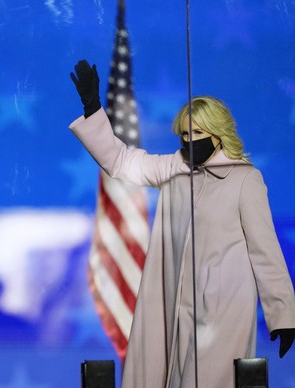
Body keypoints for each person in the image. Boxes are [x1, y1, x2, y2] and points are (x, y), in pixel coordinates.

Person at [69, 60, 295, 387]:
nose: (191, 142)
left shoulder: (245, 180)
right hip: (171, 302)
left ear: (219, 134)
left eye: (199, 134)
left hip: (223, 309)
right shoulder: (175, 169)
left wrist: (283, 317)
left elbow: (265, 251)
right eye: (186, 134)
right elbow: (120, 161)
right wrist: (93, 109)